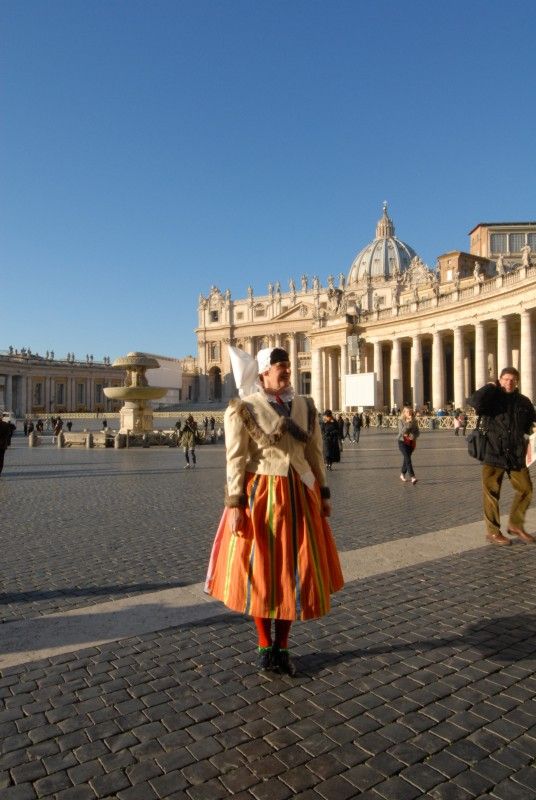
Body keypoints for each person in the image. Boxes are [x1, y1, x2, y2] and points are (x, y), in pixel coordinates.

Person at [205, 347, 344, 676]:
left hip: (300, 493)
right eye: (280, 367)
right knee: (262, 572)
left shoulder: (304, 405)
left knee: (295, 571)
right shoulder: (244, 408)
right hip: (263, 495)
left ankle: (283, 646)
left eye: (288, 367)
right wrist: (235, 503)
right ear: (264, 371)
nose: (287, 372)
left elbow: (314, 452)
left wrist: (322, 492)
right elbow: (235, 459)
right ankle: (266, 646)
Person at [468, 367, 536, 546]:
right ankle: (492, 532)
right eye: (505, 379)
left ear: (518, 381)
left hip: (515, 454)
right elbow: (473, 401)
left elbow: (530, 424)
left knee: (526, 489)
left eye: (513, 379)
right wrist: (490, 386)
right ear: (500, 380)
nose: (509, 382)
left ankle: (515, 524)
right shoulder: (491, 398)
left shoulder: (524, 402)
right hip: (493, 452)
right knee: (491, 492)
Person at [398, 406, 420, 484]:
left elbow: (417, 432)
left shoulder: (414, 421)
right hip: (402, 441)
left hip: (411, 442)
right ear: (404, 413)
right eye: (407, 411)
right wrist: (408, 423)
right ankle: (413, 477)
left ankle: (402, 474)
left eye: (410, 411)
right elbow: (402, 432)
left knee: (406, 459)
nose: (409, 413)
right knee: (408, 459)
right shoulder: (400, 421)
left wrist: (413, 436)